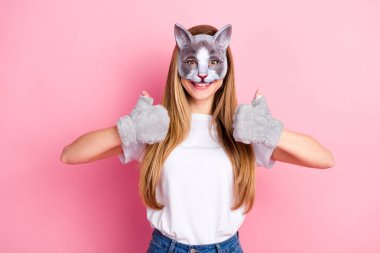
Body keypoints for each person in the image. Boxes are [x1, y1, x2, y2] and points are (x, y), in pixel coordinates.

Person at [61, 23, 335, 253]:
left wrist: (268, 130)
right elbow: (70, 154)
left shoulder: (243, 131)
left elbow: (324, 159)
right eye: (191, 61)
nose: (202, 74)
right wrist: (130, 128)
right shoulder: (155, 127)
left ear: (225, 67)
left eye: (213, 61)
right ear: (178, 66)